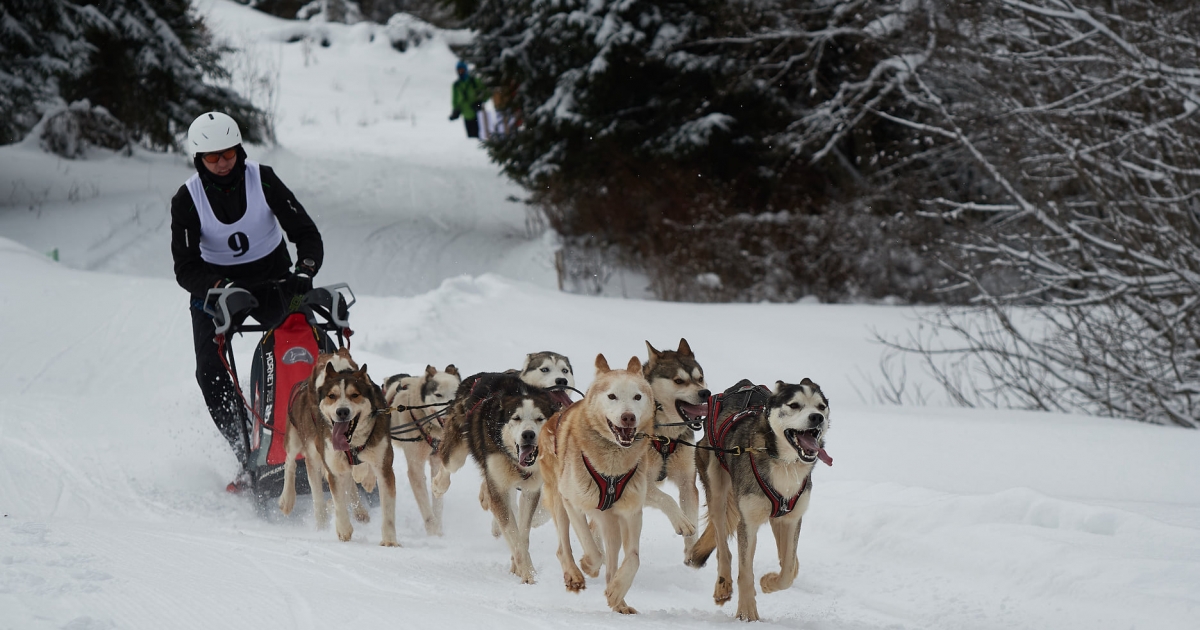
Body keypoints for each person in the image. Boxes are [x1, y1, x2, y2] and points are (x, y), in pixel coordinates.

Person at [170, 112, 324, 491]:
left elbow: (306, 234)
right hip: (217, 289)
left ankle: (328, 445)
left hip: (275, 281)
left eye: (228, 154)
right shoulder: (187, 199)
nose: (222, 164)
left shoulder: (263, 178)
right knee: (209, 369)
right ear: (199, 160)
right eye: (212, 158)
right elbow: (186, 268)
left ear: (238, 149)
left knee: (310, 350)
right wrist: (221, 286)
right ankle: (250, 454)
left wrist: (304, 272)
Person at [449, 60, 490, 139]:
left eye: (462, 70)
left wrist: (479, 103)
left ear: (466, 70)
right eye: (458, 70)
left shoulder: (474, 81)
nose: (460, 72)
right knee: (471, 138)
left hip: (478, 114)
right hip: (466, 115)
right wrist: (455, 111)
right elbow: (454, 101)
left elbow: (486, 93)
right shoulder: (456, 85)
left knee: (482, 137)